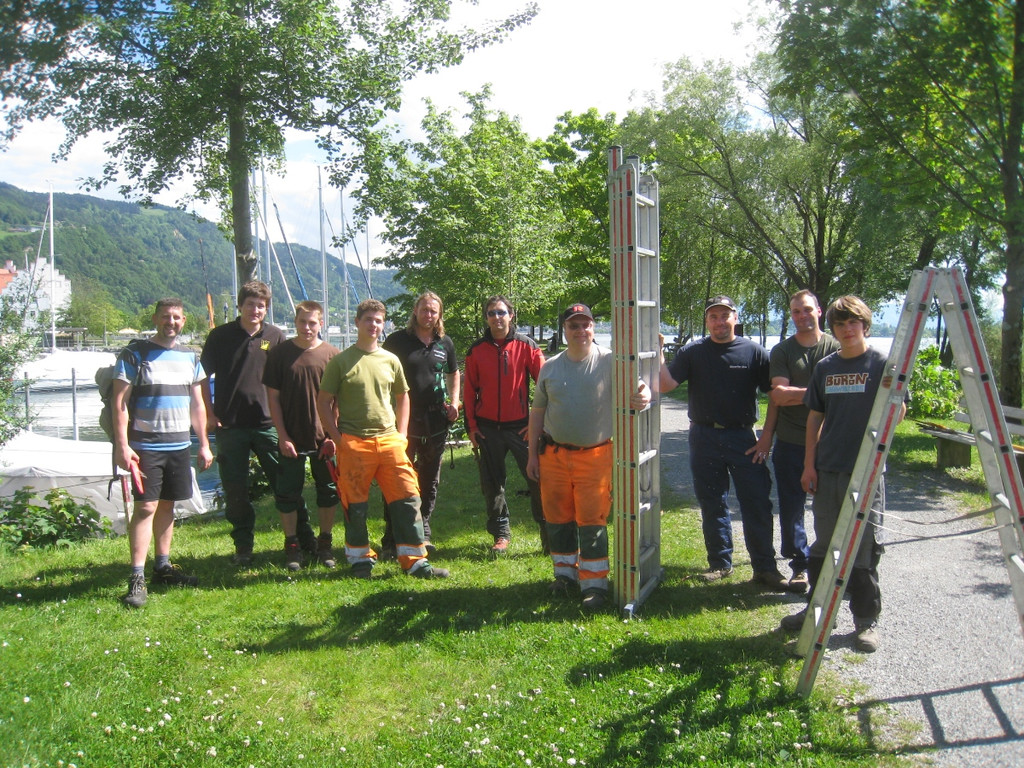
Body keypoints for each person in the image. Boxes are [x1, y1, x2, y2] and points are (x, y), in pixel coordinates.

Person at [781, 295, 905, 653]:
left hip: (866, 472)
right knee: (824, 546)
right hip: (828, 470)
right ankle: (818, 613)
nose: (847, 329)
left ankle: (866, 622)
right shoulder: (826, 367)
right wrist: (809, 464)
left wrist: (888, 413)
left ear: (864, 325)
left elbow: (898, 412)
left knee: (864, 549)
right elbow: (815, 418)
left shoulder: (882, 365)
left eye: (853, 322)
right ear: (833, 328)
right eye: (840, 324)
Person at [526, 303, 650, 611]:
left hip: (595, 456)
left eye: (586, 325)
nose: (581, 331)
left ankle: (594, 584)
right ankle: (564, 576)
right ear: (564, 331)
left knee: (592, 519)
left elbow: (639, 386)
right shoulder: (550, 366)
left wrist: (644, 394)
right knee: (557, 518)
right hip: (553, 455)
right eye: (574, 326)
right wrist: (532, 456)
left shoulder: (611, 361)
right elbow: (537, 412)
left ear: (593, 328)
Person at [658, 295, 788, 588]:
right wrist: (658, 353)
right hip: (703, 437)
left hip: (743, 438)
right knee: (712, 502)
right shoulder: (693, 352)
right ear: (707, 321)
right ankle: (720, 563)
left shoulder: (754, 353)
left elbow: (776, 398)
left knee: (756, 502)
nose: (719, 321)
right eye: (713, 316)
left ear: (735, 318)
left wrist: (766, 437)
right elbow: (666, 385)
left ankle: (765, 568)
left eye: (724, 315)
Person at [316, 298, 449, 579]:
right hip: (354, 442)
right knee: (355, 505)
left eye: (378, 321)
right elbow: (324, 402)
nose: (373, 325)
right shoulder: (340, 361)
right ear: (357, 323)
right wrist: (337, 438)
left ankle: (415, 561)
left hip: (390, 440)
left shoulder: (390, 360)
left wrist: (402, 434)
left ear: (383, 324)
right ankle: (360, 561)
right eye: (368, 320)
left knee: (408, 498)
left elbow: (403, 397)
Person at [201, 281, 317, 565]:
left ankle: (305, 539)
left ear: (266, 309)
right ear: (240, 305)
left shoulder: (275, 336)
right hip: (230, 425)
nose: (255, 310)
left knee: (286, 485)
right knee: (235, 490)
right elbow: (202, 378)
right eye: (250, 304)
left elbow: (288, 378)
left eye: (261, 306)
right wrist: (209, 414)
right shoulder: (220, 336)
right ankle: (243, 546)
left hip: (268, 424)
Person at [115, 298, 214, 608]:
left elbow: (197, 404)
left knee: (168, 505)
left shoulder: (189, 357)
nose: (171, 322)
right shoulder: (134, 354)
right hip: (145, 446)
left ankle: (163, 567)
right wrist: (122, 445)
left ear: (183, 321)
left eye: (177, 317)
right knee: (146, 507)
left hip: (179, 445)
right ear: (155, 319)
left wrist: (204, 443)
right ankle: (136, 577)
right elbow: (120, 403)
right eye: (166, 316)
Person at [768, 290, 840, 593]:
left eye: (807, 310)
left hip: (831, 443)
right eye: (796, 311)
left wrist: (797, 393)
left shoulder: (836, 347)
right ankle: (799, 566)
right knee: (791, 508)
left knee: (831, 508)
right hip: (790, 442)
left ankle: (831, 566)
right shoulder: (783, 351)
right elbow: (778, 396)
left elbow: (789, 394)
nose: (802, 316)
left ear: (819, 311)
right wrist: (824, 391)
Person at [463, 295, 546, 555]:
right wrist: (472, 427)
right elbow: (469, 391)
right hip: (487, 429)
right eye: (491, 313)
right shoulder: (476, 350)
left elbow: (546, 386)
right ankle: (500, 534)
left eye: (501, 312)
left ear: (511, 315)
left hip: (520, 427)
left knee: (537, 479)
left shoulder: (527, 346)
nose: (496, 317)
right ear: (486, 318)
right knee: (492, 484)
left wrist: (538, 424)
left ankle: (549, 534)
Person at [380, 291, 460, 557]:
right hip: (403, 420)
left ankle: (422, 531)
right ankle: (392, 536)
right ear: (415, 311)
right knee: (397, 478)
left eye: (433, 311)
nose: (428, 315)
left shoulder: (444, 342)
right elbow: (380, 372)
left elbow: (454, 372)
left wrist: (455, 401)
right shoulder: (397, 341)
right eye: (424, 309)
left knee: (429, 479)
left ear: (439, 315)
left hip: (435, 420)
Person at [263, 300, 340, 571]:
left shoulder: (332, 355)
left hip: (323, 439)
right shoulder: (279, 354)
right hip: (291, 438)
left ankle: (325, 544)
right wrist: (282, 435)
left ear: (321, 324)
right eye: (302, 322)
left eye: (312, 323)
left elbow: (338, 400)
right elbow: (273, 399)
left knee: (328, 492)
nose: (307, 327)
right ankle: (292, 546)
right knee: (287, 494)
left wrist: (332, 435)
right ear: (295, 322)